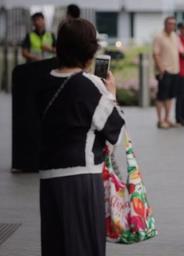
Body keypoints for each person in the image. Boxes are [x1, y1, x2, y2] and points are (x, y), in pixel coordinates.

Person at [38, 18, 125, 256]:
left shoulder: (41, 82)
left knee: (56, 246)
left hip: (48, 179)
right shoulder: (91, 86)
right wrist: (112, 95)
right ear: (89, 50)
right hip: (81, 180)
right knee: (84, 247)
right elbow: (115, 131)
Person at [153, 16, 180, 129]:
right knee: (161, 97)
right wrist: (161, 69)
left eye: (174, 24)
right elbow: (155, 54)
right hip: (164, 71)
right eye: (170, 24)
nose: (172, 26)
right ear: (165, 24)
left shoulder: (175, 36)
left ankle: (167, 119)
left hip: (175, 70)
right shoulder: (159, 37)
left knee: (170, 96)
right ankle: (160, 121)